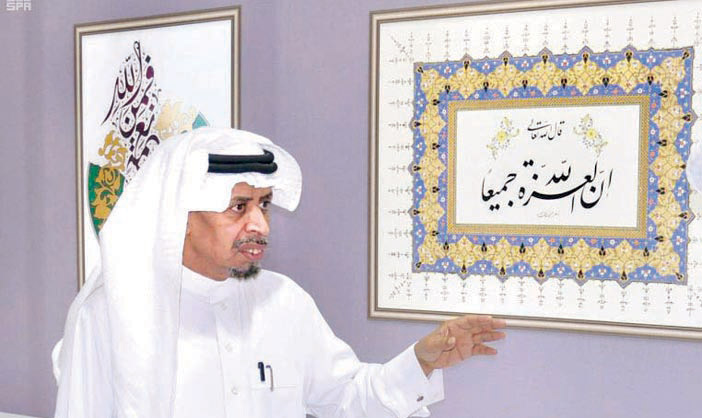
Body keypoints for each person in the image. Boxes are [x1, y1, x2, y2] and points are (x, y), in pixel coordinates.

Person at [53, 128, 506, 417]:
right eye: (238, 207)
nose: (260, 225)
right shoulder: (108, 316)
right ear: (180, 218)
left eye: (264, 205)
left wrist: (422, 360)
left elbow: (346, 398)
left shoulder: (284, 302)